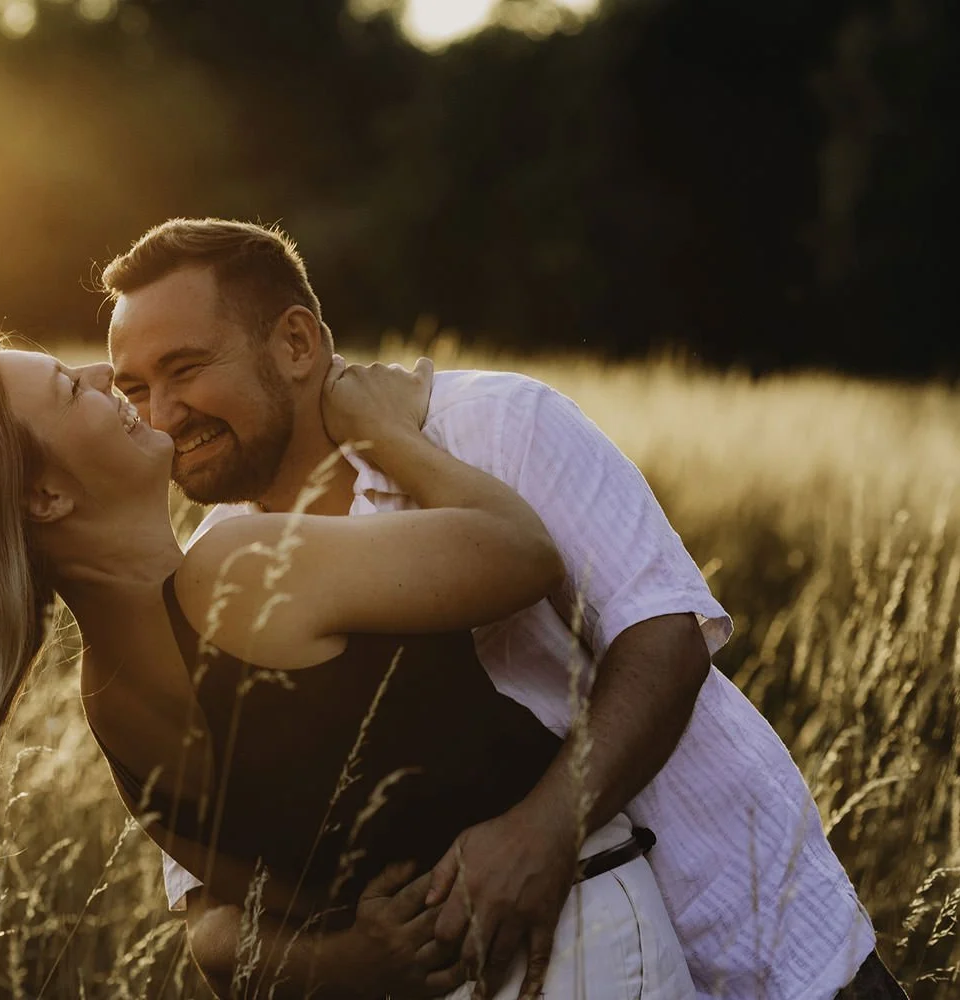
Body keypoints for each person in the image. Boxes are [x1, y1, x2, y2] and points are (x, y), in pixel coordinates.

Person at [0, 336, 692, 1000]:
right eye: (72, 388)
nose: (110, 380)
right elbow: (523, 553)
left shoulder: (108, 705)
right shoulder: (238, 568)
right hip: (583, 944)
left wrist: (359, 962)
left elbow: (260, 913)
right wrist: (386, 431)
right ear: (46, 498)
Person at [101, 217, 904, 1000]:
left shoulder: (494, 425)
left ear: (297, 343)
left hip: (754, 936)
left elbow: (665, 635)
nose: (161, 416)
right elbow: (208, 913)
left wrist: (543, 833)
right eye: (133, 389)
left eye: (186, 368)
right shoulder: (209, 577)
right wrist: (352, 962)